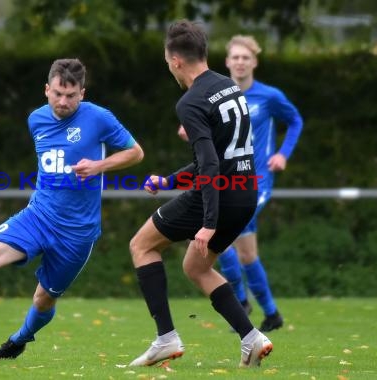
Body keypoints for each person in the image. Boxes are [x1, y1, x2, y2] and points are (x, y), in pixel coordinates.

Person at [0, 58, 144, 360]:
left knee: (44, 300)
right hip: (37, 217)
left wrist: (99, 166)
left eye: (71, 95)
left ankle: (20, 339)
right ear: (47, 89)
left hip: (76, 233)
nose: (63, 101)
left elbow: (136, 153)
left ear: (82, 94)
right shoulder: (36, 119)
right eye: (58, 93)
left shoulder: (99, 118)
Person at [129, 20, 272, 368]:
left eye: (167, 62)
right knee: (196, 266)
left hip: (219, 197)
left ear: (176, 60)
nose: (169, 68)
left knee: (141, 245)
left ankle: (166, 338)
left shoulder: (190, 101)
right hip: (245, 194)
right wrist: (167, 181)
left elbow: (209, 165)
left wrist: (208, 223)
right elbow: (218, 159)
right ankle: (252, 338)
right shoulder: (230, 87)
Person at [215, 35, 303, 332]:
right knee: (247, 253)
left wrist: (282, 154)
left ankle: (239, 301)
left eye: (245, 57)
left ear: (254, 62)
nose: (240, 62)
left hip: (259, 181)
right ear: (227, 62)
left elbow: (295, 121)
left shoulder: (269, 96)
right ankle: (272, 314)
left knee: (220, 233)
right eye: (235, 57)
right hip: (228, 179)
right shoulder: (218, 96)